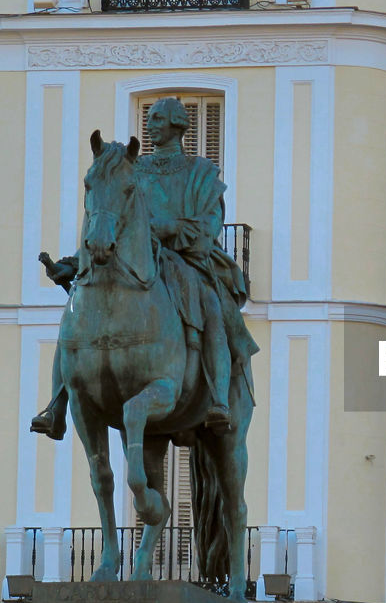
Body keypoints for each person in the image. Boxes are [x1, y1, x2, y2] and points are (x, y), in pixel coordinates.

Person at [31, 97, 256, 439]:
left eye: (158, 119)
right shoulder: (131, 170)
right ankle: (58, 403)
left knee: (212, 305)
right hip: (136, 263)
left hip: (187, 259)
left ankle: (219, 400)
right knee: (76, 305)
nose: (150, 125)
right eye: (149, 118)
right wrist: (76, 263)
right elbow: (110, 220)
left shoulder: (201, 173)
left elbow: (209, 227)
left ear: (178, 125)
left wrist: (164, 228)